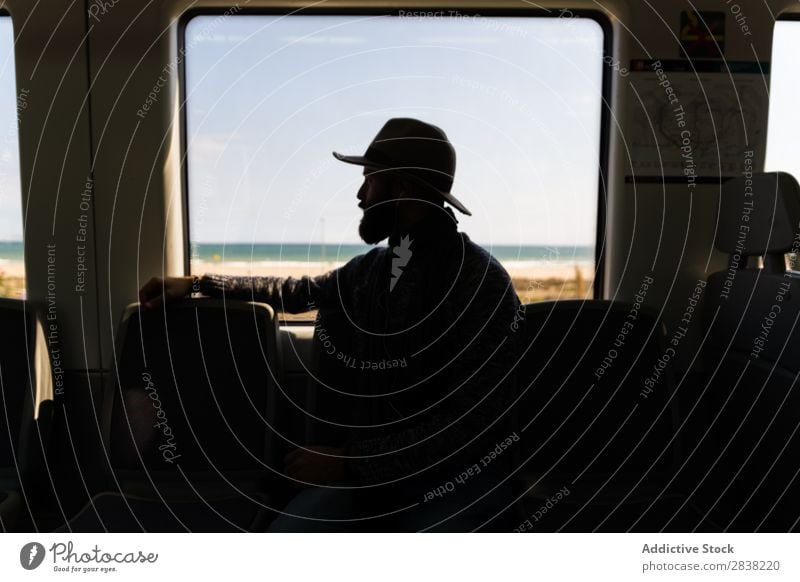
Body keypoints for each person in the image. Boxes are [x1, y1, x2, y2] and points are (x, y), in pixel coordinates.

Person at [139, 118, 521, 531]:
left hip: (457, 479)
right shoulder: (372, 271)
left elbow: (473, 423)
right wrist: (198, 284)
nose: (360, 195)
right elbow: (298, 291)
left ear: (403, 188)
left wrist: (351, 463)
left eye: (369, 180)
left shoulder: (481, 283)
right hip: (374, 478)